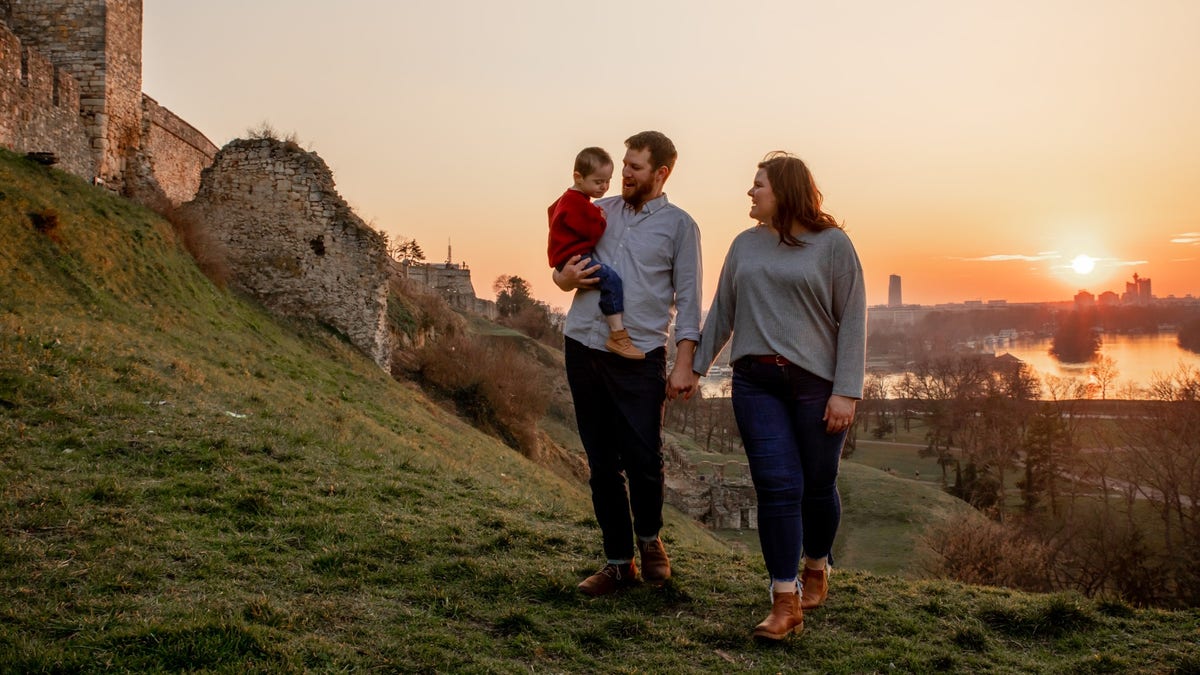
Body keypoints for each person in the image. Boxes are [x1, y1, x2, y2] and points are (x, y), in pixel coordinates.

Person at [689, 151, 866, 639]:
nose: (750, 192)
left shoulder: (833, 246)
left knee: (816, 485)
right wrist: (692, 367)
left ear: (785, 190)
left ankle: (815, 566)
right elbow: (722, 312)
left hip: (817, 386)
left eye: (758, 184)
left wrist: (846, 392)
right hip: (755, 383)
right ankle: (784, 599)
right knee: (777, 485)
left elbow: (852, 319)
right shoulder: (744, 246)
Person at [553, 131, 702, 597]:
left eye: (635, 166)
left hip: (639, 356)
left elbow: (691, 302)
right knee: (601, 463)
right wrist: (563, 277)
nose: (625, 173)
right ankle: (619, 563)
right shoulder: (599, 210)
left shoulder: (681, 227)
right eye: (624, 163)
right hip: (583, 345)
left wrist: (684, 365)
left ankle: (649, 539)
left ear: (661, 173)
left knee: (644, 459)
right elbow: (562, 265)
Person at [547, 147, 643, 359]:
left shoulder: (566, 199)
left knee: (606, 280)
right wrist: (600, 218)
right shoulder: (579, 204)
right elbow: (593, 232)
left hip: (565, 259)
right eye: (598, 182)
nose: (604, 187)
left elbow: (551, 212)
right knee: (611, 281)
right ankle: (618, 334)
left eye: (608, 181)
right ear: (578, 178)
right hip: (576, 259)